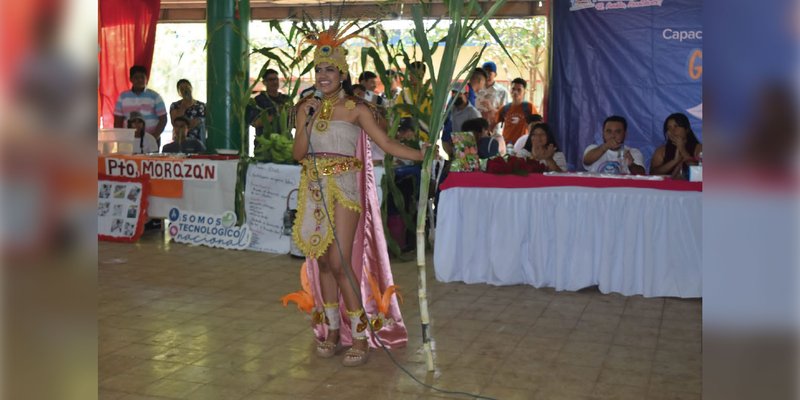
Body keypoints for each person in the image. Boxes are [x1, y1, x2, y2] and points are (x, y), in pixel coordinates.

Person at [291, 28, 427, 367]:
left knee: (339, 263)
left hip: (344, 188)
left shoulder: (356, 109)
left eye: (329, 70)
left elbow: (387, 144)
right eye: (318, 70)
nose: (322, 76)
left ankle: (361, 335)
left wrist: (422, 155)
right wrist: (300, 120)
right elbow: (298, 154)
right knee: (322, 262)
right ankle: (334, 331)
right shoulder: (308, 109)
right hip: (314, 186)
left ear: (343, 74)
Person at [114, 65, 167, 145]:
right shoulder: (123, 97)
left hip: (151, 138)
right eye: (136, 77)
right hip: (129, 140)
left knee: (150, 158)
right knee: (129, 158)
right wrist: (121, 138)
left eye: (142, 77)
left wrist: (154, 137)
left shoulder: (155, 96)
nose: (140, 80)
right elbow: (118, 121)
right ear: (131, 79)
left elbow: (163, 119)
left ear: (146, 79)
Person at [247, 69, 292, 146]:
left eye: (276, 79)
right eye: (271, 80)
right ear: (264, 82)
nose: (275, 82)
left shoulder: (286, 99)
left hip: (285, 144)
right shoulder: (258, 100)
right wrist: (278, 113)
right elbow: (255, 123)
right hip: (264, 145)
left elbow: (294, 122)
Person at [649, 112, 703, 178]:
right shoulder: (661, 150)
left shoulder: (699, 148)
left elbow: (700, 173)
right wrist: (674, 161)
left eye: (676, 126)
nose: (672, 130)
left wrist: (683, 151)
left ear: (687, 129)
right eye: (669, 127)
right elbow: (652, 174)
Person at [442, 84, 481, 158]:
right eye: (453, 93)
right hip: (454, 149)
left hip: (468, 152)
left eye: (458, 93)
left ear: (466, 95)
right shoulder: (452, 110)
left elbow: (478, 135)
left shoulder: (473, 113)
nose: (454, 96)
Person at [497, 78, 538, 145]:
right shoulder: (504, 108)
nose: (515, 92)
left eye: (519, 90)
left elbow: (538, 125)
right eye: (513, 89)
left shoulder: (529, 107)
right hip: (506, 145)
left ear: (524, 92)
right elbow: (492, 124)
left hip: (523, 144)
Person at [475, 61, 509, 136]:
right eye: (485, 73)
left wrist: (491, 109)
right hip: (476, 129)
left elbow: (505, 115)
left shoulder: (502, 91)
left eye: (490, 73)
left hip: (494, 131)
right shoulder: (476, 89)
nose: (487, 75)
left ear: (495, 74)